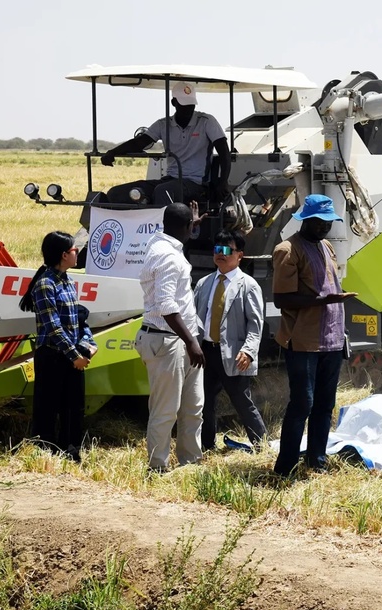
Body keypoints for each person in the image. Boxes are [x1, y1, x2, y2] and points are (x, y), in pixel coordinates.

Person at [271, 194, 358, 477]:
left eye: (328, 222)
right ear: (305, 219)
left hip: (332, 340)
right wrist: (324, 301)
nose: (324, 227)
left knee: (325, 404)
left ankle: (316, 462)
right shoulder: (287, 250)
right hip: (304, 341)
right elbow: (282, 300)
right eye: (319, 222)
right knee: (302, 404)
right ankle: (285, 467)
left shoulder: (326, 246)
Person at [135, 202, 205, 472]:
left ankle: (190, 463)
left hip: (177, 340)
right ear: (186, 228)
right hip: (169, 341)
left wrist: (190, 223)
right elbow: (166, 307)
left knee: (193, 406)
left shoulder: (162, 244)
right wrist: (191, 342)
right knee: (166, 411)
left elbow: (176, 234)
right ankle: (158, 468)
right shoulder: (168, 256)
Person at [18, 231, 96, 463]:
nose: (77, 253)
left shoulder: (68, 281)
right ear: (64, 255)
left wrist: (89, 343)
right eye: (74, 250)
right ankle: (46, 453)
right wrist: (74, 356)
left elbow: (79, 320)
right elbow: (53, 327)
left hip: (70, 354)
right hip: (52, 355)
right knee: (48, 406)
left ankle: (70, 452)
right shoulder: (45, 285)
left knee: (73, 407)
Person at [101, 82, 231, 206]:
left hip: (196, 184)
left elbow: (224, 151)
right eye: (184, 104)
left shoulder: (206, 121)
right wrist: (113, 152)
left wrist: (223, 181)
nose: (188, 108)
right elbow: (139, 142)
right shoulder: (163, 124)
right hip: (169, 180)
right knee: (116, 193)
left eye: (191, 104)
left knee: (163, 191)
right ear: (174, 102)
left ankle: (164, 228)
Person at [194, 229, 267, 453]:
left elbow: (255, 323)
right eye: (217, 249)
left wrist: (248, 351)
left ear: (240, 255)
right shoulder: (204, 283)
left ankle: (261, 446)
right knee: (204, 403)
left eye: (227, 250)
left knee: (242, 402)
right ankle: (207, 447)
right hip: (206, 352)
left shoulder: (248, 285)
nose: (221, 254)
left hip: (234, 354)